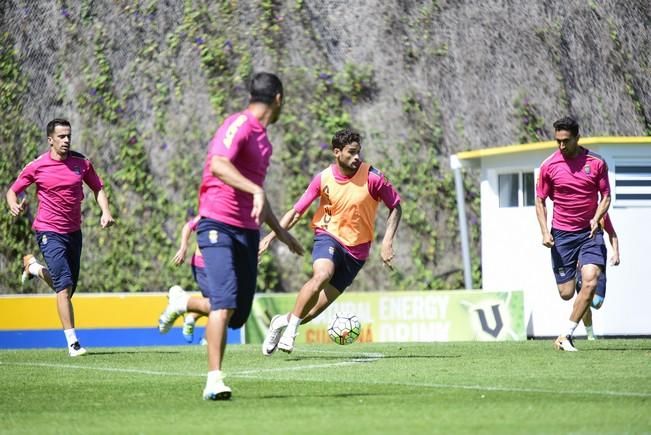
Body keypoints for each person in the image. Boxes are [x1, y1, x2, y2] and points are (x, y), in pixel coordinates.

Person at [158, 72, 304, 400]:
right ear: (278, 98)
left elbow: (259, 198)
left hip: (247, 232)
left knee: (237, 315)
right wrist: (254, 190)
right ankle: (214, 380)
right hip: (216, 225)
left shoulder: (265, 141)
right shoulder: (238, 124)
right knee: (223, 303)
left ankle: (184, 301)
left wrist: (280, 233)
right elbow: (219, 164)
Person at [259, 127, 401, 356]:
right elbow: (296, 212)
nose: (357, 157)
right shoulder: (323, 178)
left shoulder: (374, 177)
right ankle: (291, 331)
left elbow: (395, 206)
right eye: (351, 152)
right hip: (328, 237)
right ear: (337, 152)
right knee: (322, 275)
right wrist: (270, 237)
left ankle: (281, 322)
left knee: (311, 312)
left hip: (356, 254)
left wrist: (387, 242)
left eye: (359, 152)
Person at [6, 118, 114, 356]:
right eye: (61, 137)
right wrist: (14, 205)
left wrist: (105, 211)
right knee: (63, 286)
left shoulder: (82, 163)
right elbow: (13, 191)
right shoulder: (37, 166)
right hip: (48, 231)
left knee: (66, 287)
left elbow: (98, 188)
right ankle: (73, 343)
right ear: (50, 140)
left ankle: (33, 268)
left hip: (74, 232)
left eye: (68, 136)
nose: (66, 140)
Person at [535, 116, 611, 352]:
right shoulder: (549, 165)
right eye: (557, 140)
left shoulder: (596, 163)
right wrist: (545, 231)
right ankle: (580, 279)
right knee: (567, 293)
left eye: (566, 140)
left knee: (590, 282)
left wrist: (597, 218)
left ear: (577, 138)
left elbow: (606, 197)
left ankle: (565, 335)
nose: (561, 145)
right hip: (562, 235)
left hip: (589, 233)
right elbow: (540, 199)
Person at [159, 214, 211, 344]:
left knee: (221, 304)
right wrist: (183, 248)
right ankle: (207, 338)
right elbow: (188, 226)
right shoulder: (211, 212)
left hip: (221, 266)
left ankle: (191, 317)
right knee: (221, 304)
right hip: (203, 266)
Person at [576, 213, 620, 340]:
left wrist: (616, 253)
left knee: (596, 302)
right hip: (581, 261)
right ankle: (590, 335)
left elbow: (612, 233)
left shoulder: (603, 214)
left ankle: (582, 302)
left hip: (598, 257)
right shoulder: (575, 211)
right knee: (584, 300)